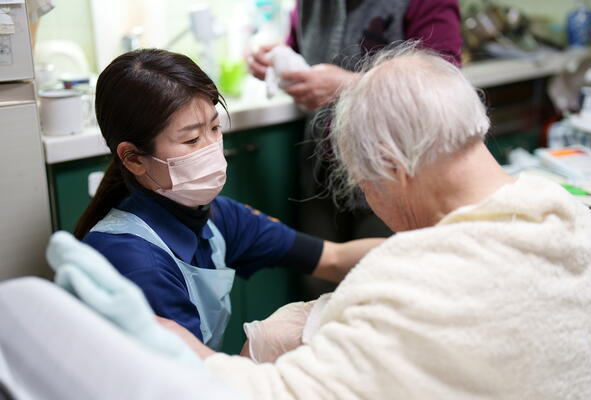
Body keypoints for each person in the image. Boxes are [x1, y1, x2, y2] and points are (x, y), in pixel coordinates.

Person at [155, 44, 591, 399]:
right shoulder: (573, 217)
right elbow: (337, 260)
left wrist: (190, 351)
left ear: (392, 167)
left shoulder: (413, 283)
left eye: (364, 183)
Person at [74, 48, 382, 351]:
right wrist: (261, 352)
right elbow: (186, 381)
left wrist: (421, 250)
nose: (212, 148)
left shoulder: (214, 217)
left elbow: (333, 259)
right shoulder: (137, 263)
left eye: (214, 127)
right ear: (134, 158)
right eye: (192, 139)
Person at [247, 0, 463, 242]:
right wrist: (276, 60)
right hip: (323, 171)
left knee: (387, 272)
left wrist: (348, 85)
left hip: (400, 174)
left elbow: (445, 85)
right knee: (320, 276)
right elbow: (299, 49)